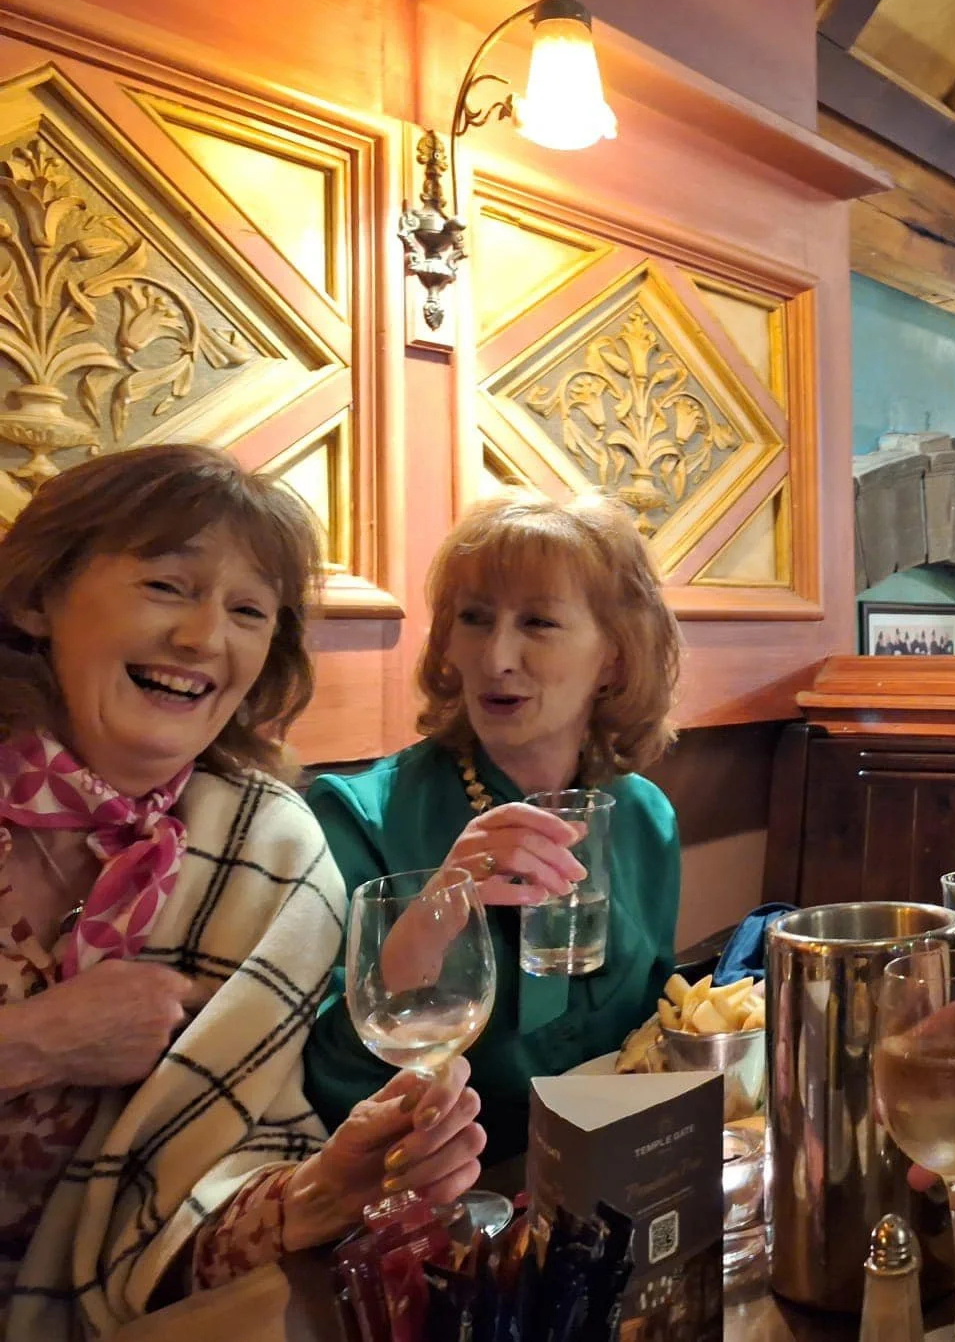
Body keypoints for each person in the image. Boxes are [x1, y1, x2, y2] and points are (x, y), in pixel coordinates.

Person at [0, 445, 482, 1339]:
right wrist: (34, 1043)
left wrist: (317, 1192)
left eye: (249, 610)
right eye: (168, 587)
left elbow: (187, 1219)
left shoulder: (273, 850)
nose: (204, 639)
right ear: (38, 599)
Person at [303, 494, 683, 1159]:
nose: (497, 656)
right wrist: (439, 909)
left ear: (615, 659)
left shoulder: (644, 817)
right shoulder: (357, 815)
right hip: (430, 1190)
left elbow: (650, 1036)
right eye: (474, 619)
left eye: (537, 622)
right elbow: (328, 1081)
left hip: (609, 1176)